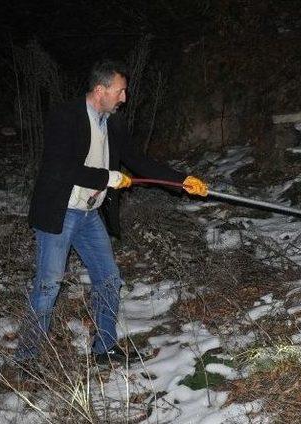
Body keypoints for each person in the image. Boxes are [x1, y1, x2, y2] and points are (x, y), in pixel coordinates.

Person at [15, 59, 207, 365]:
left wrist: (182, 182)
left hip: (89, 214)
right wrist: (108, 178)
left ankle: (103, 348)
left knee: (108, 279)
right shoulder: (66, 117)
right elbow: (62, 168)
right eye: (120, 91)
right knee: (48, 286)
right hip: (59, 213)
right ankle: (27, 358)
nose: (124, 98)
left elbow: (137, 159)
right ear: (101, 89)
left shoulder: (113, 123)